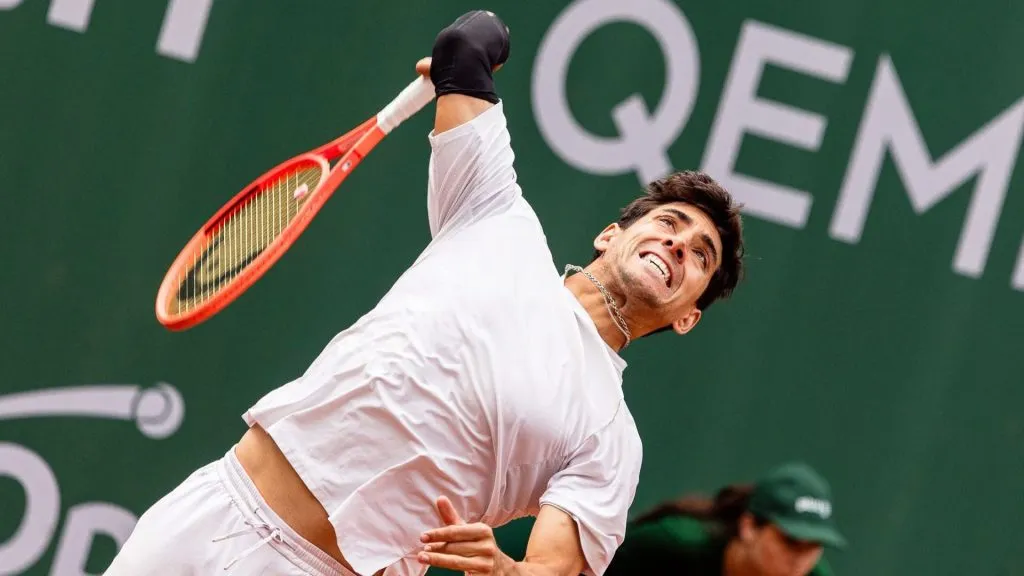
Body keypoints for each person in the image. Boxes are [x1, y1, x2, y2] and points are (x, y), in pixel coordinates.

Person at [105, 9, 745, 576]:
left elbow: (551, 570)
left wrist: (500, 571)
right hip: (214, 510)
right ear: (612, 235)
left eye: (701, 256)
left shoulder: (610, 436)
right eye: (669, 222)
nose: (679, 245)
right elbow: (470, 42)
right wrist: (467, 52)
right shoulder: (496, 217)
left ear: (689, 315)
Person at [604, 462, 846, 576]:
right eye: (790, 540)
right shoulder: (672, 546)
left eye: (813, 546)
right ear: (749, 527)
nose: (799, 561)